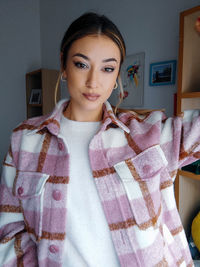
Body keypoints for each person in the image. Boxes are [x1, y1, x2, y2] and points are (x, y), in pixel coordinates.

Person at [0, 12, 199, 267]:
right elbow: (9, 231)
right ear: (63, 65)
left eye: (107, 68)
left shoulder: (148, 135)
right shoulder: (24, 141)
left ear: (117, 76)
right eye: (81, 64)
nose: (94, 81)